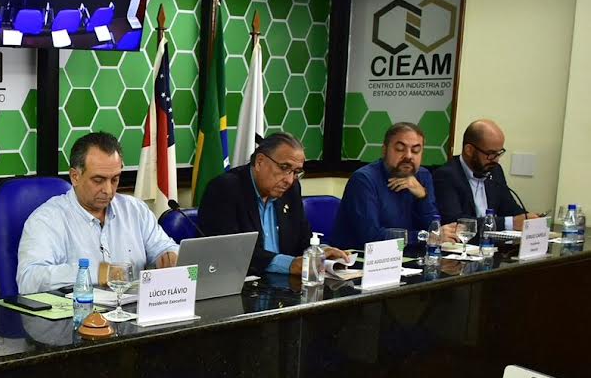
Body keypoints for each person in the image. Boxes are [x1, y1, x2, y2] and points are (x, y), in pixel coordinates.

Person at [17, 132, 177, 294]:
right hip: (79, 308)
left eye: (114, 179)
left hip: (133, 306)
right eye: (98, 180)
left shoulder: (135, 210)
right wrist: (97, 273)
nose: (108, 190)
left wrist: (169, 255)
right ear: (75, 177)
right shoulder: (47, 219)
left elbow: (164, 248)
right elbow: (29, 280)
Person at [197, 133, 350, 276]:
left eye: (296, 172)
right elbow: (230, 251)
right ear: (260, 162)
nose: (289, 180)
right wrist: (290, 264)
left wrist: (323, 252)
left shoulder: (291, 189)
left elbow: (303, 238)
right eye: (284, 168)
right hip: (243, 284)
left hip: (284, 285)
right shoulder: (225, 188)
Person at [330, 121, 458, 249]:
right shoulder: (364, 180)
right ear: (384, 150)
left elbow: (433, 228)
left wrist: (423, 197)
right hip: (361, 257)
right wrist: (424, 237)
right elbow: (371, 237)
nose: (408, 156)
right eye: (400, 149)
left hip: (409, 256)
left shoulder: (423, 176)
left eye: (415, 151)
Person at [432, 119, 539, 230]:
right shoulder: (446, 175)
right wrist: (509, 223)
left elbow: (511, 210)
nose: (496, 160)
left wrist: (530, 219)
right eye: (491, 154)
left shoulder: (495, 171)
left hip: (493, 241)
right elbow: (455, 223)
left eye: (499, 153)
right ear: (469, 150)